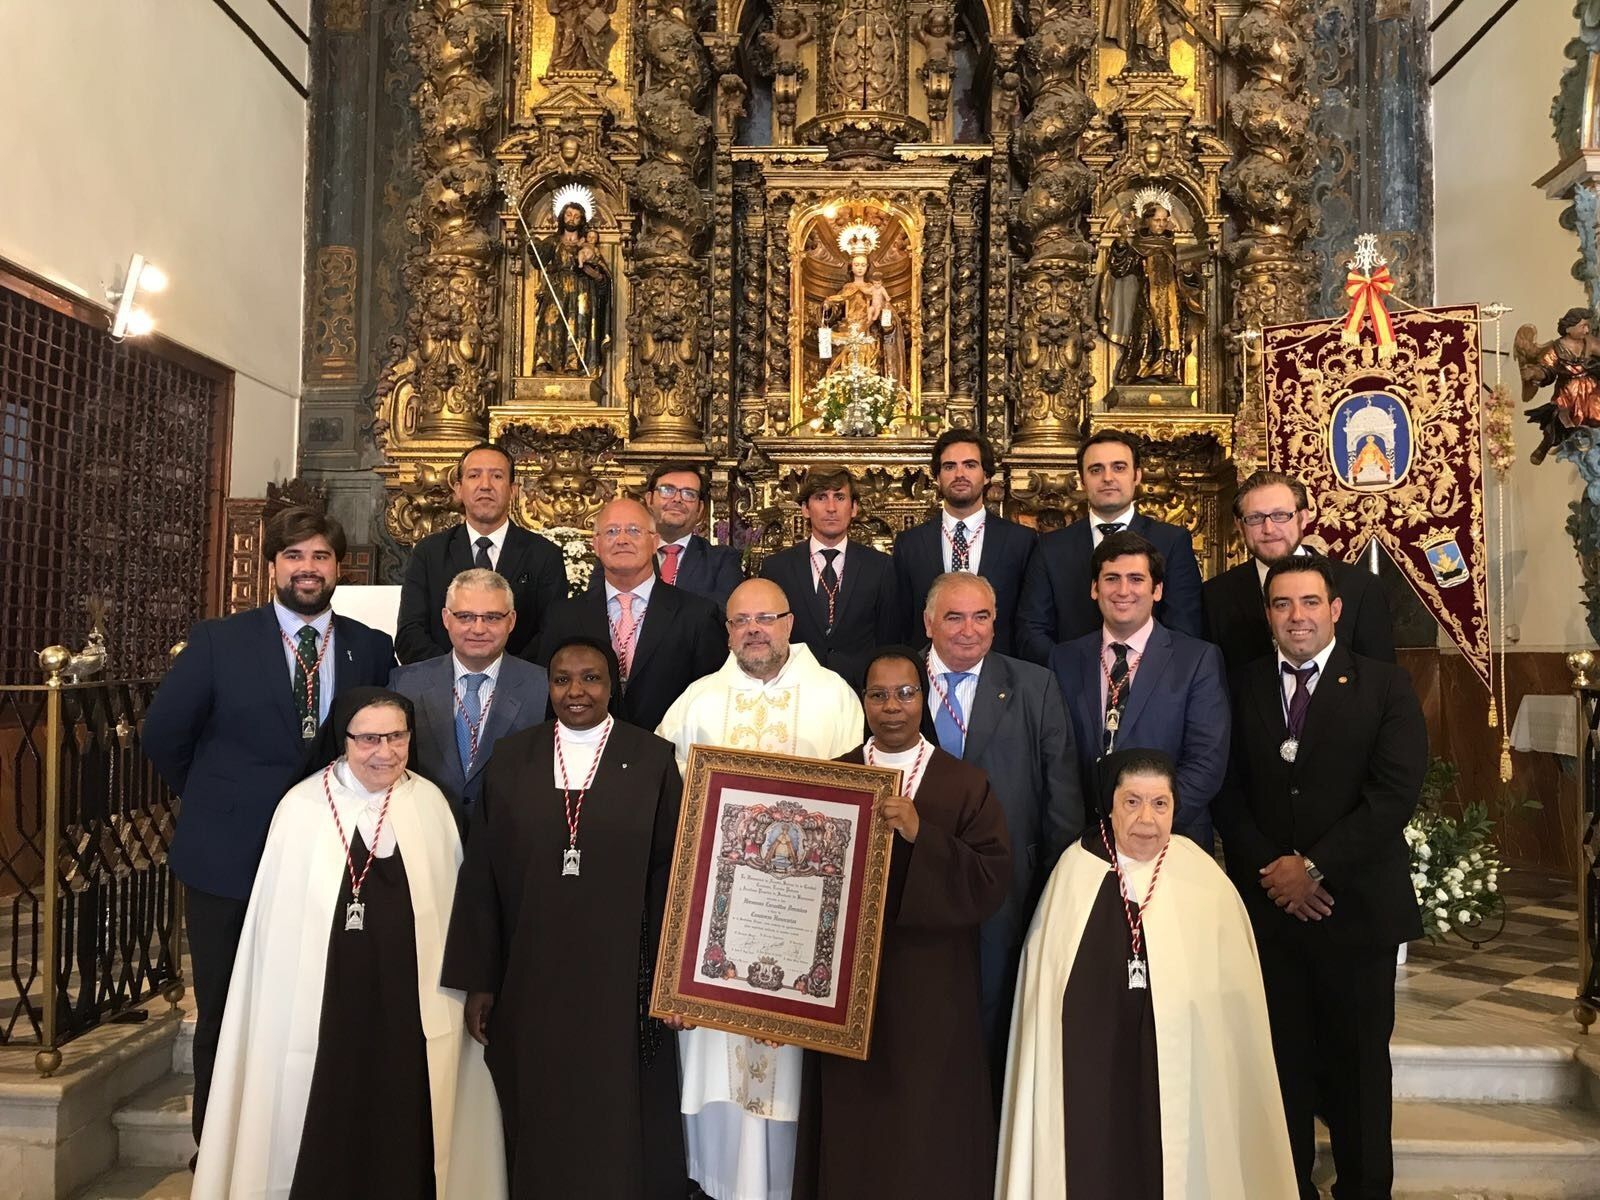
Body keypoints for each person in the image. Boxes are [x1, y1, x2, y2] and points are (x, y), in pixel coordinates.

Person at [142, 506, 394, 1149]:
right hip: (230, 857)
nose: (308, 568)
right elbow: (164, 735)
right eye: (294, 556)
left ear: (339, 568)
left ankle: (303, 1144)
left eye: (320, 556)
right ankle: (217, 1147)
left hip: (331, 858)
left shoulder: (370, 646)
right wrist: (216, 799)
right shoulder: (218, 641)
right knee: (226, 1006)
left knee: (316, 1003)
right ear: (272, 566)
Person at [193, 689, 504, 1199]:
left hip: (408, 1008)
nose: (385, 752)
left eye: (397, 737)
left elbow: (456, 916)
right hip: (322, 1009)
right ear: (344, 740)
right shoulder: (301, 808)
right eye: (369, 739)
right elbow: (275, 932)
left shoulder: (429, 804)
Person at [1213, 557, 1427, 1200]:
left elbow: (1393, 794)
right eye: (1282, 604)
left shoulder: (1385, 686)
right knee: (1282, 1064)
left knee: (1359, 1068)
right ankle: (1288, 1187)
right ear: (1268, 615)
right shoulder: (1241, 684)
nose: (1296, 616)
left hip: (1355, 909)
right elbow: (1227, 790)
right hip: (1271, 911)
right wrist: (1275, 873)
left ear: (1335, 610)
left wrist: (1312, 867)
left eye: (1310, 603)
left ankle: (1364, 1189)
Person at [442, 637, 687, 1198]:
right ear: (547, 686)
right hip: (531, 976)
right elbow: (483, 874)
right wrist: (481, 980)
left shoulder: (651, 759)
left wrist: (670, 977)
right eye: (562, 679)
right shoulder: (513, 758)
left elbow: (671, 874)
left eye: (591, 678)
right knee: (538, 1107)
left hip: (621, 979)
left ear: (611, 685)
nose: (576, 691)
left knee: (612, 1110)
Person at [996, 749, 1295, 1200]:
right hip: (1089, 1067)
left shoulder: (1202, 876)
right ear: (1110, 806)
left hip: (1182, 1069)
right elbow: (1047, 986)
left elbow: (1233, 1004)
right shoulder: (1075, 869)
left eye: (1160, 804)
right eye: (1132, 802)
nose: (1146, 820)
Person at [656, 578, 865, 1200]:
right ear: (727, 631)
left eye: (766, 618)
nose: (754, 630)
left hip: (802, 929)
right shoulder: (697, 702)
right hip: (717, 929)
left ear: (789, 623)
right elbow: (668, 816)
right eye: (741, 620)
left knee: (796, 1077)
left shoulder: (833, 697)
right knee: (720, 1081)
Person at [792, 647, 1010, 1200]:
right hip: (844, 990)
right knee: (853, 1132)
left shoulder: (964, 783)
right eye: (879, 694)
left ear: (923, 699)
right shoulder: (835, 776)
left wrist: (922, 835)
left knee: (925, 1126)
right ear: (864, 701)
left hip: (930, 988)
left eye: (906, 693)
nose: (893, 707)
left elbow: (991, 880)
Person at [918, 571, 1084, 1083]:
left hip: (1007, 885)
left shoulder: (1034, 685)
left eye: (981, 617)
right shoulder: (895, 682)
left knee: (996, 1012)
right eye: (954, 617)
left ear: (996, 623)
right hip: (916, 885)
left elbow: (1061, 795)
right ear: (928, 623)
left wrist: (1056, 885)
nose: (969, 630)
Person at [1047, 531, 1228, 850]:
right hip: (1084, 841)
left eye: (1136, 579)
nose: (1123, 591)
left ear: (1157, 590)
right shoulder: (1063, 659)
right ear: (1094, 588)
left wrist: (1143, 822)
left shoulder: (1198, 659)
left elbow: (1206, 762)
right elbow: (1056, 758)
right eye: (1111, 579)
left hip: (1170, 840)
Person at [535, 496, 725, 733]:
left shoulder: (697, 615)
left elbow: (711, 699)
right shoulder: (563, 616)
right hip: (584, 746)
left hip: (669, 747)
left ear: (654, 541)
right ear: (596, 544)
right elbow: (546, 698)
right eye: (612, 531)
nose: (622, 540)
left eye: (634, 530)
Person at [1015, 429, 1203, 662]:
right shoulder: (1050, 548)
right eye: (1096, 469)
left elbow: (1184, 626)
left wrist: (1139, 674)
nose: (1107, 478)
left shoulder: (1172, 541)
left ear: (1137, 475)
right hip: (1068, 680)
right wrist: (1069, 669)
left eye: (1119, 467)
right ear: (1082, 480)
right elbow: (1031, 630)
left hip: (1153, 678)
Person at [389, 568, 549, 834]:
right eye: (465, 617)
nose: (478, 629)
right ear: (446, 618)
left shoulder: (542, 685)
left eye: (492, 617)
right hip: (426, 834)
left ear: (511, 621)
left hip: (511, 837)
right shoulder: (405, 684)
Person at [1203, 469, 1395, 677]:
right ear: (1240, 526)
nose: (1269, 529)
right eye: (1255, 518)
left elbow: (1382, 681)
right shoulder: (1215, 596)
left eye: (1280, 515)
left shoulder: (1361, 587)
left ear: (1303, 518)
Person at [396, 442, 568, 664]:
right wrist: (455, 673)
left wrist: (503, 676)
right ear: (459, 488)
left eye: (496, 476)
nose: (485, 485)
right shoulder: (429, 553)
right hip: (440, 681)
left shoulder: (543, 555)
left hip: (519, 682)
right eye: (474, 475)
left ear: (513, 490)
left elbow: (551, 635)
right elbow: (410, 634)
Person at [893, 429, 1038, 655]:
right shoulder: (910, 544)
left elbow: (1027, 620)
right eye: (949, 466)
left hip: (999, 668)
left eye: (970, 465)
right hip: (928, 668)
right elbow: (901, 621)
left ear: (986, 475)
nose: (959, 474)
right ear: (937, 477)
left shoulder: (1020, 541)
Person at [759, 466, 902, 686]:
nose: (831, 508)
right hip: (795, 688)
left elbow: (888, 641)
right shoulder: (777, 568)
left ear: (854, 508)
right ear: (805, 509)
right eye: (821, 497)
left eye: (840, 497)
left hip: (859, 689)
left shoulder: (879, 567)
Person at [645, 461, 744, 608]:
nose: (677, 499)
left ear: (700, 509)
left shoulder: (721, 561)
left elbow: (720, 615)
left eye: (689, 494)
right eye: (667, 490)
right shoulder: (627, 553)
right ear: (649, 499)